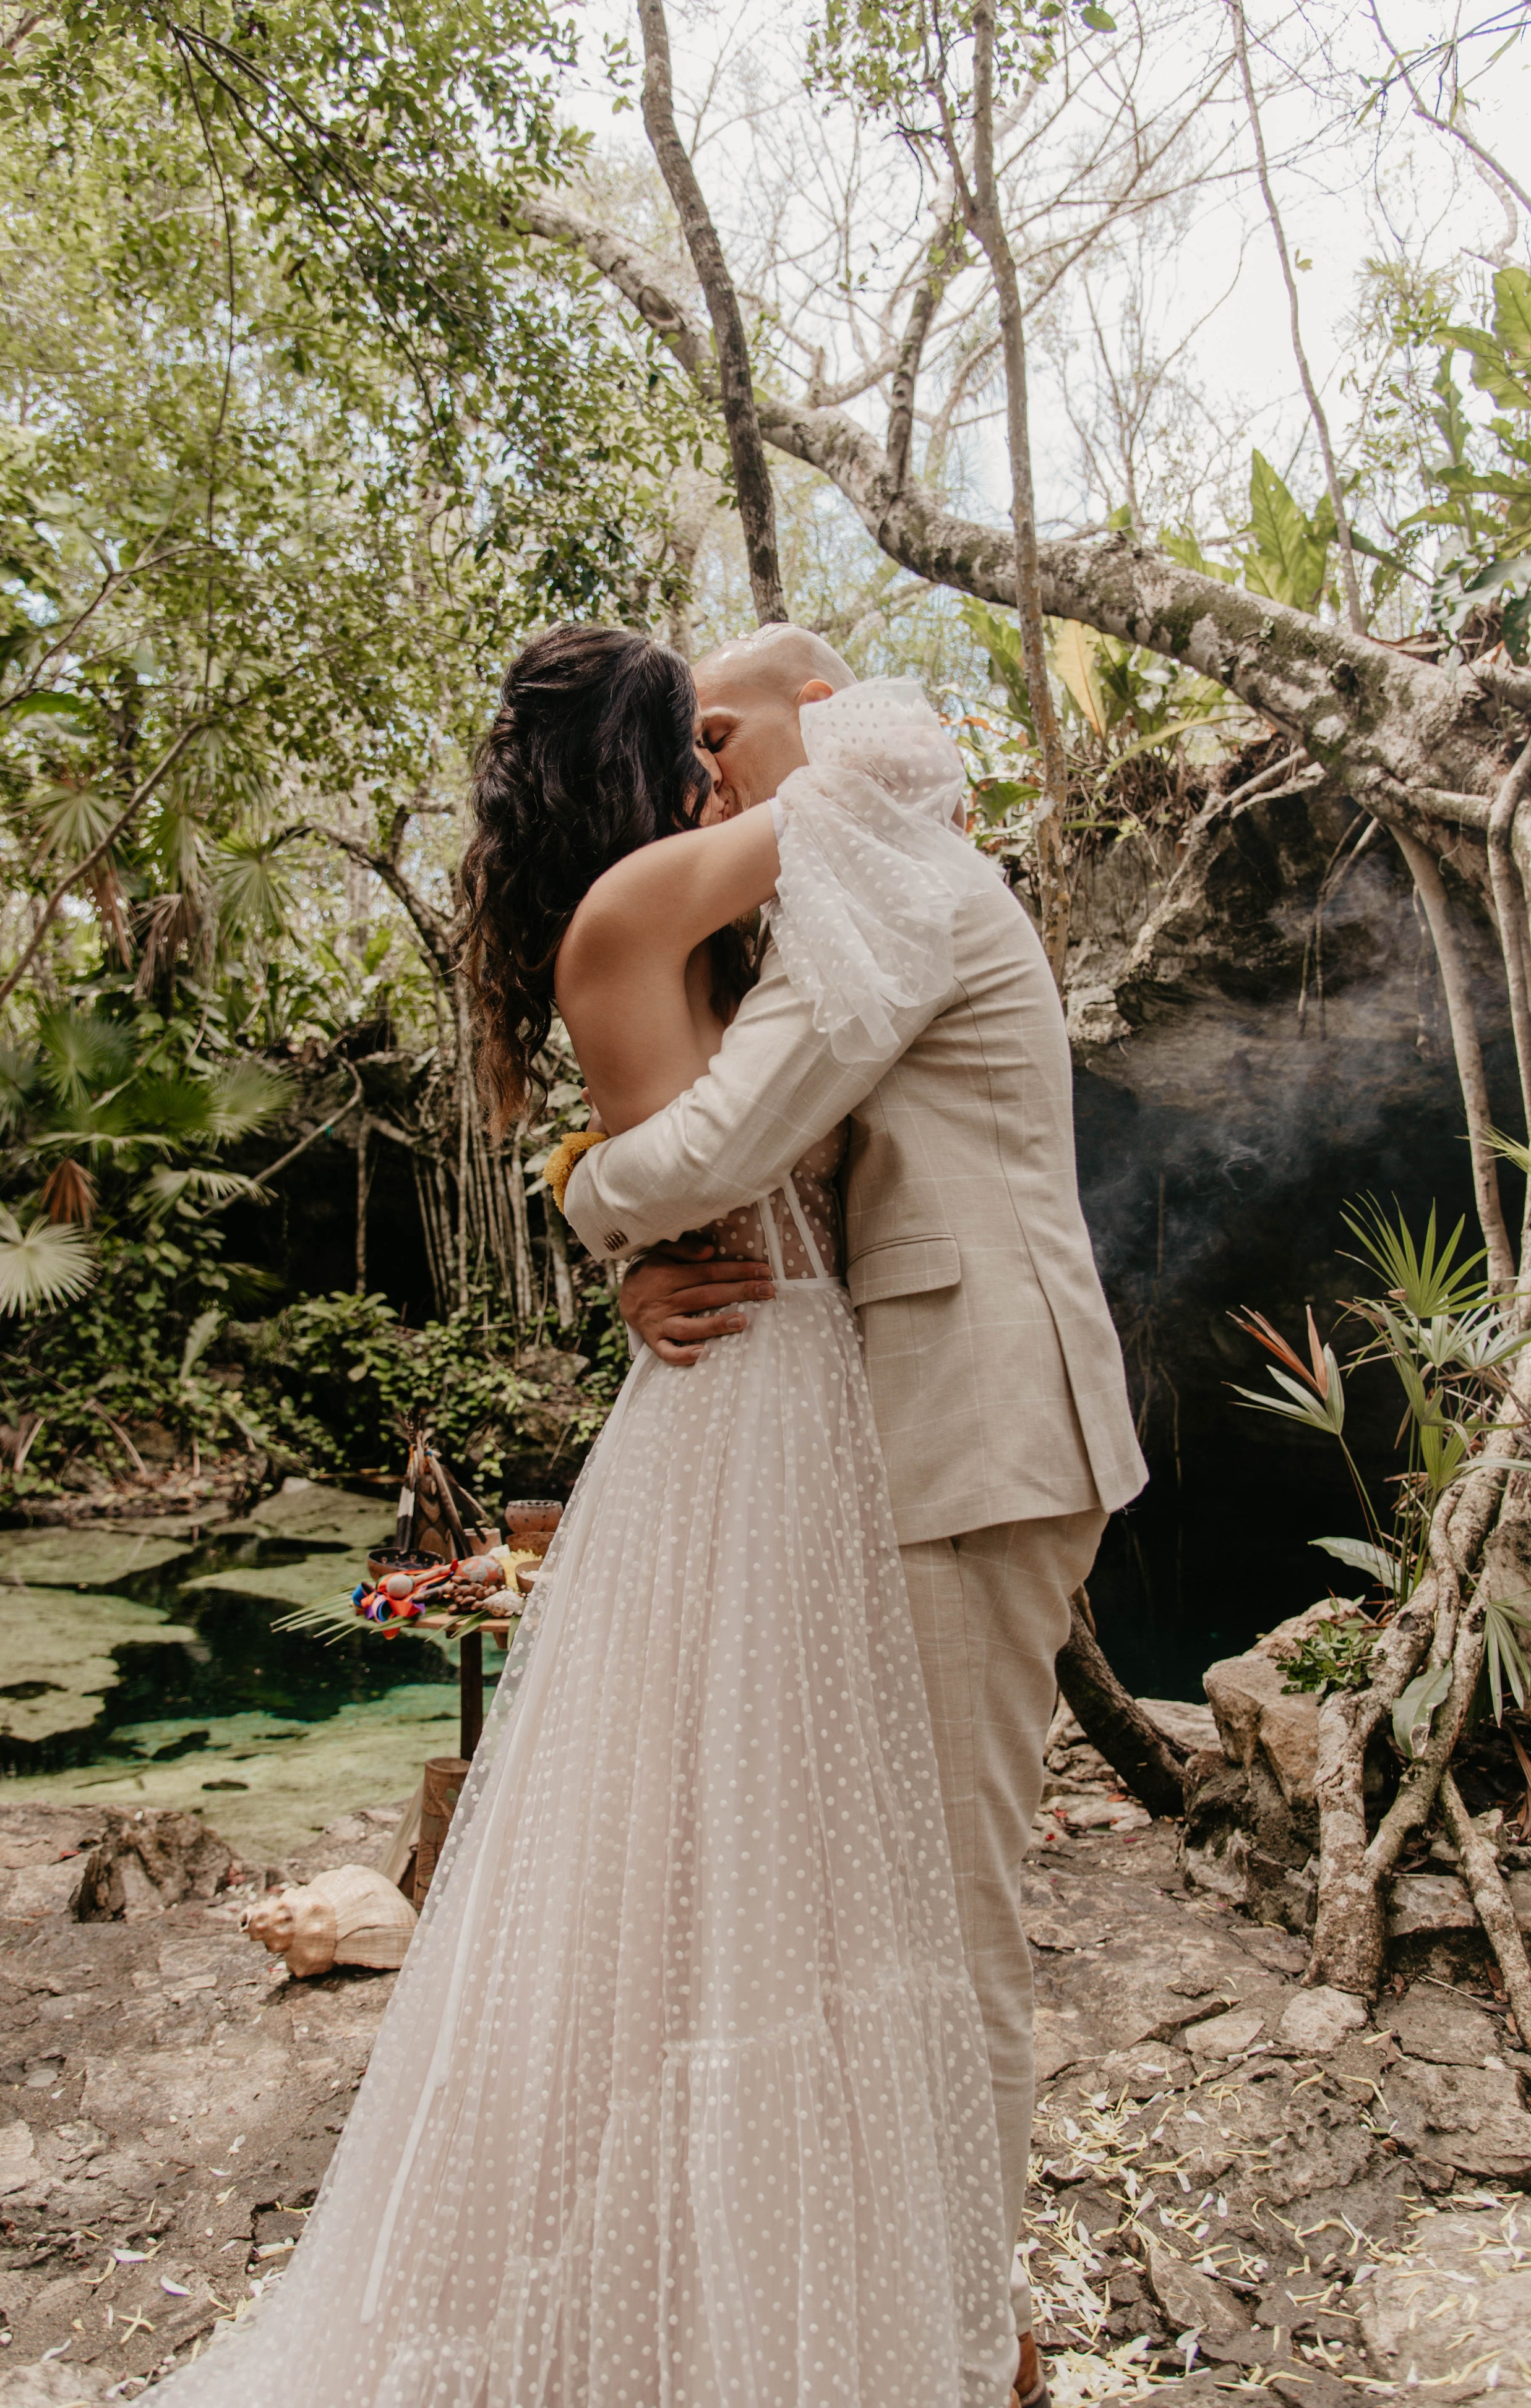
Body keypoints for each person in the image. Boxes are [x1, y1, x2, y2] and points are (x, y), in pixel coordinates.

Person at [149, 623, 1018, 2408]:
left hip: (775, 1385)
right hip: (760, 1402)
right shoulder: (634, 906)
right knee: (740, 1845)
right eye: (693, 738)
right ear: (642, 755)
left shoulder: (662, 923)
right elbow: (885, 780)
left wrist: (598, 1220)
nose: (718, 770)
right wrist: (807, 703)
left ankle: (744, 2251)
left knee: (737, 1844)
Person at [562, 623, 1147, 2408]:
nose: (705, 778)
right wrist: (640, 1276)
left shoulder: (900, 874)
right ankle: (937, 2301)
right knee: (890, 1904)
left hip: (977, 1430)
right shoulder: (858, 875)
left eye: (725, 735)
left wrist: (584, 1199)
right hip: (923, 1429)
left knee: (951, 1920)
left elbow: (727, 1143)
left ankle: (974, 2346)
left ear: (821, 715)